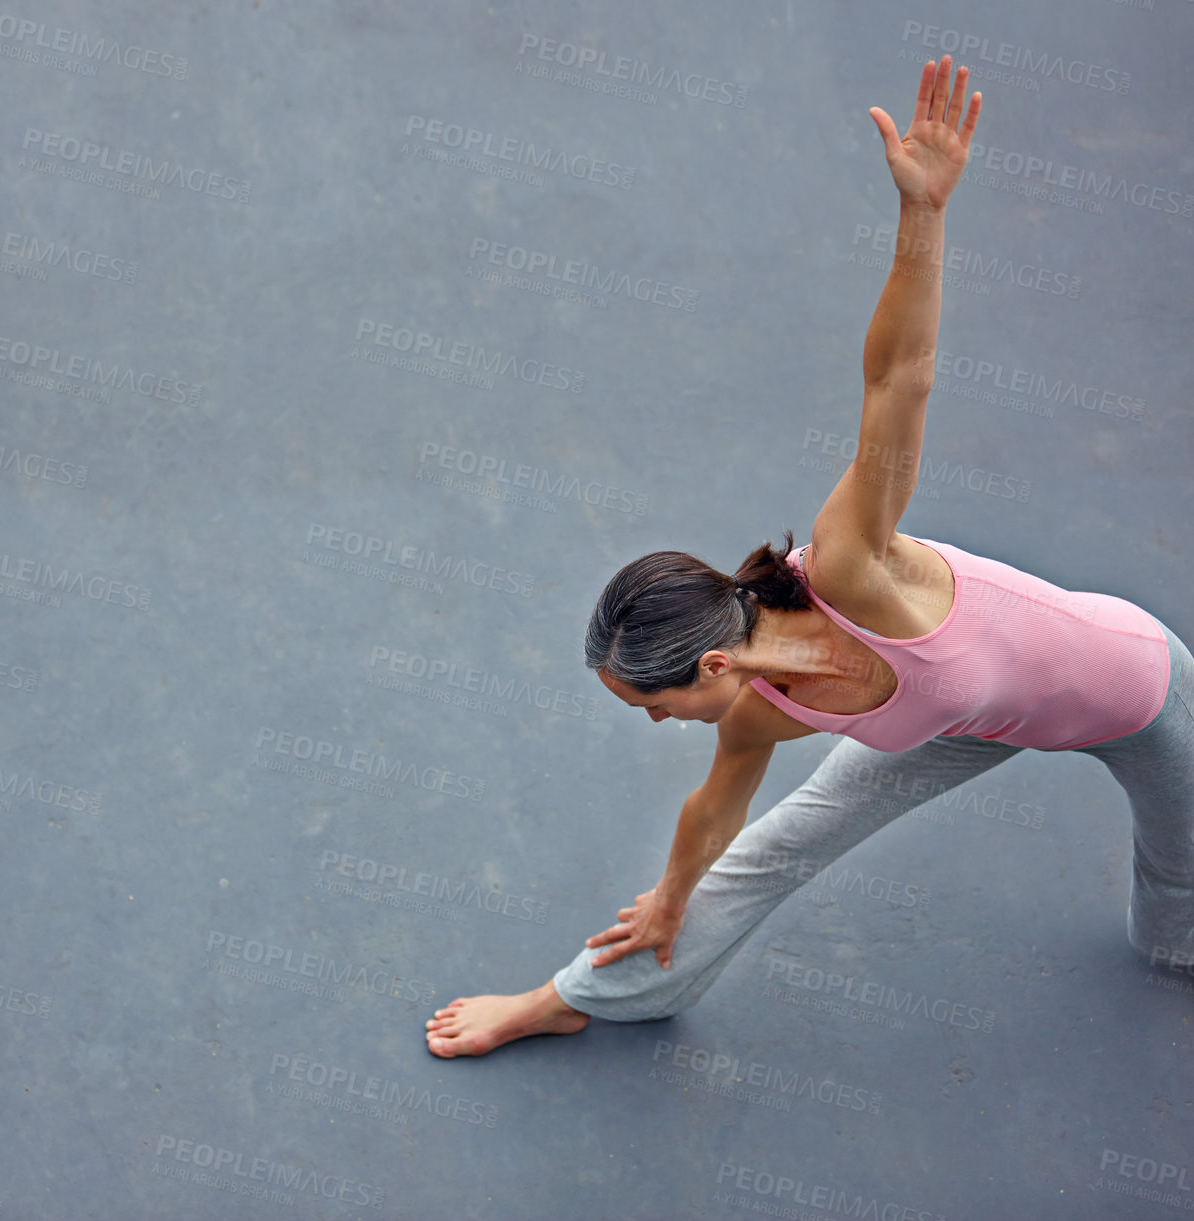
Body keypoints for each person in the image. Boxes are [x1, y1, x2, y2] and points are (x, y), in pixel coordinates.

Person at [425, 55, 1194, 1058]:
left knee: (1181, 882)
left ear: (708, 664)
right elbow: (712, 817)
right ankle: (566, 999)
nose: (660, 724)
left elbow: (897, 383)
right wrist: (663, 903)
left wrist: (922, 211)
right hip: (967, 716)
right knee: (761, 854)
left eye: (653, 705)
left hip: (1136, 691)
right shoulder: (755, 713)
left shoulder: (851, 572)